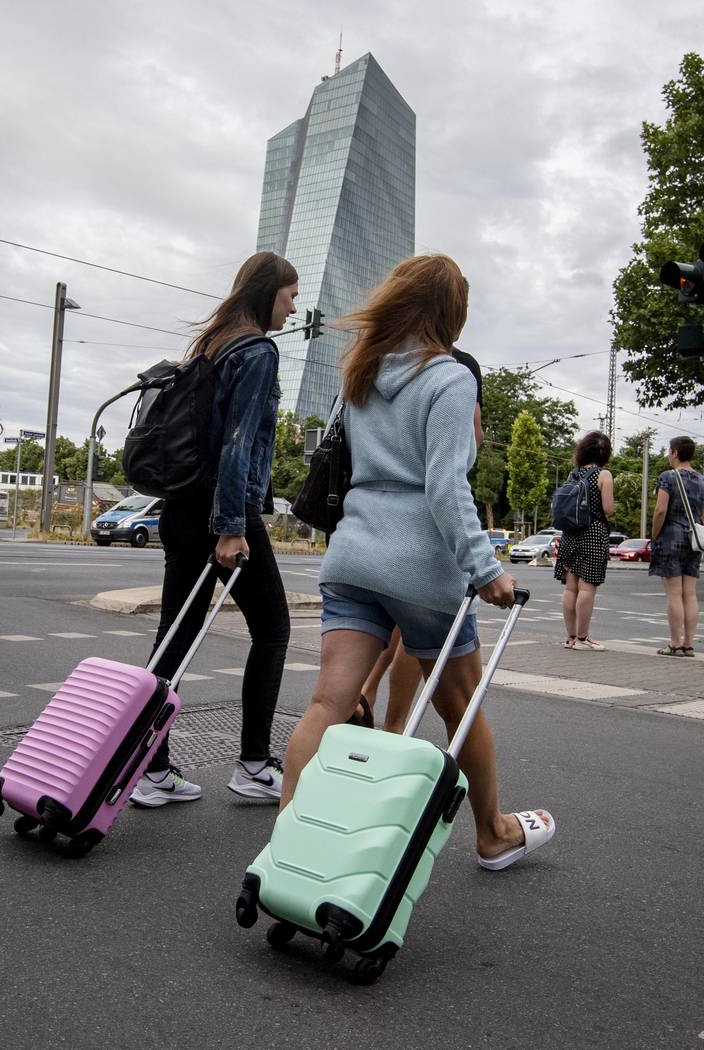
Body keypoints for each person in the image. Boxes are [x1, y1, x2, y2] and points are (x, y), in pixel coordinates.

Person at [280, 254, 556, 871]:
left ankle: (288, 837)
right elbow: (445, 486)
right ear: (450, 312)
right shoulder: (451, 378)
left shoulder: (362, 372)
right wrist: (488, 571)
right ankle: (494, 831)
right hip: (421, 570)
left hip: (352, 555)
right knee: (462, 707)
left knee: (328, 704)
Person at [130, 251, 297, 807]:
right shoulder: (256, 351)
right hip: (221, 513)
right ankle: (253, 766)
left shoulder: (210, 345)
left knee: (173, 639)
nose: (294, 307)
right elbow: (237, 443)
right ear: (268, 292)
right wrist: (232, 526)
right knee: (272, 629)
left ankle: (149, 772)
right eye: (290, 295)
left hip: (179, 506)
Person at [356, 346, 484, 733]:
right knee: (459, 696)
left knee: (386, 629)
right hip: (425, 530)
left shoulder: (375, 360)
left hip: (366, 524)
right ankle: (395, 729)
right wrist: (486, 568)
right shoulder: (459, 368)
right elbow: (460, 457)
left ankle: (364, 693)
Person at [649, 435, 704, 657]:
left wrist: (655, 535)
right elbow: (702, 516)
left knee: (674, 594)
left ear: (675, 452)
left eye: (669, 450)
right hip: (694, 541)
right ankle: (688, 644)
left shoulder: (668, 477)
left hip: (671, 537)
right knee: (690, 594)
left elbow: (660, 510)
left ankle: (674, 643)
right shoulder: (703, 481)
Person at [554, 431, 615, 651]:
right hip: (593, 533)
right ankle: (582, 637)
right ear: (605, 453)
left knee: (571, 589)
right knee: (587, 589)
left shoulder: (574, 474)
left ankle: (570, 637)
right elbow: (607, 509)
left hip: (570, 534)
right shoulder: (603, 475)